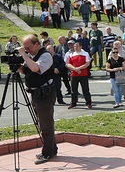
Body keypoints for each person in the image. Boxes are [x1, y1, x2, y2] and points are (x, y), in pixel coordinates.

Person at [17, 35, 57, 164]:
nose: (27, 50)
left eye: (28, 47)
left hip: (44, 93)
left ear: (36, 44)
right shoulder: (32, 55)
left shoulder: (45, 55)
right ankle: (52, 148)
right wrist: (16, 65)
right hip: (35, 92)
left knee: (46, 124)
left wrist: (23, 54)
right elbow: (27, 70)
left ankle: (47, 153)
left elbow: (35, 68)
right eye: (25, 48)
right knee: (42, 122)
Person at [65, 40, 92, 109]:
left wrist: (79, 68)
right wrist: (75, 69)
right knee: (73, 90)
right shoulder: (71, 54)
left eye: (77, 46)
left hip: (83, 74)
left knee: (85, 89)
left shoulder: (85, 53)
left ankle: (88, 103)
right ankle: (73, 103)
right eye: (74, 46)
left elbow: (87, 64)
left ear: (80, 46)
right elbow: (68, 64)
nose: (75, 47)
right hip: (74, 75)